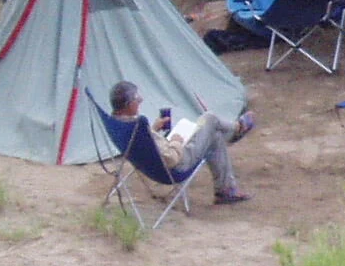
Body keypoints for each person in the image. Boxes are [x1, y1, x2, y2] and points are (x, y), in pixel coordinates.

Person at [108, 80, 253, 205]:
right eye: (136, 98)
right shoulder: (137, 125)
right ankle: (238, 128)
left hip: (153, 165)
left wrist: (153, 130)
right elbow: (171, 159)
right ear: (128, 105)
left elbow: (145, 144)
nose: (140, 101)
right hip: (177, 165)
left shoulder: (119, 124)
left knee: (214, 136)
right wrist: (176, 141)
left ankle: (226, 190)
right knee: (210, 119)